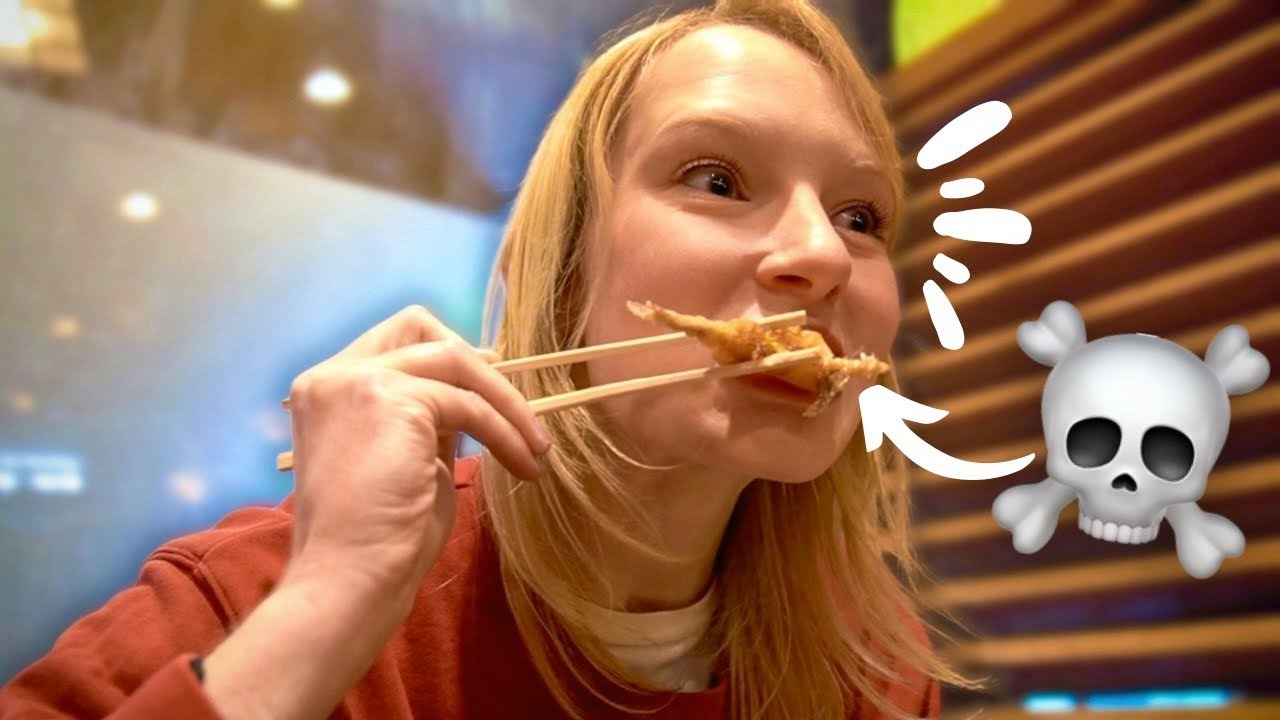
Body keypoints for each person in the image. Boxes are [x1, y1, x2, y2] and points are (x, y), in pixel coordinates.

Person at [0, 1, 973, 718]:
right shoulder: (249, 599)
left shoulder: (870, 670)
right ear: (563, 267)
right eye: (715, 178)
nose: (817, 254)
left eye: (859, 216)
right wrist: (329, 607)